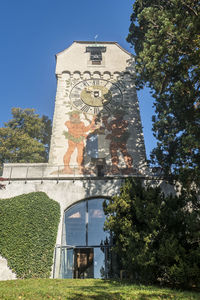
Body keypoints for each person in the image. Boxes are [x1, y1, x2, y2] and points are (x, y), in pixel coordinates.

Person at [102, 110, 133, 174]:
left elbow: (124, 126)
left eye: (118, 114)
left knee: (124, 152)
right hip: (114, 138)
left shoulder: (124, 122)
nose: (116, 116)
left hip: (120, 138)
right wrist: (105, 121)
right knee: (113, 152)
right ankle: (115, 167)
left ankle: (129, 167)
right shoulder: (113, 122)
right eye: (116, 114)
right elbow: (109, 129)